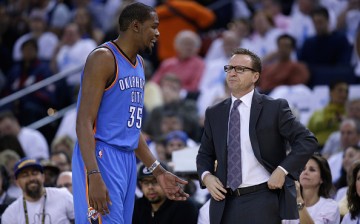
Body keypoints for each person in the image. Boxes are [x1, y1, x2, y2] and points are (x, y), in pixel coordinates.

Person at [72, 2, 189, 224]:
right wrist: (93, 174)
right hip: (101, 155)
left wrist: (158, 171)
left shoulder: (140, 64)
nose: (158, 33)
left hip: (126, 160)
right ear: (136, 25)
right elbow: (83, 122)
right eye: (153, 26)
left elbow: (131, 130)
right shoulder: (103, 58)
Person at [196, 48, 318, 224]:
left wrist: (282, 170)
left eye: (240, 69)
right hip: (224, 200)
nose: (232, 73)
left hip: (263, 198)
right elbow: (204, 154)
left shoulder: (274, 108)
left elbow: (307, 140)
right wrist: (206, 176)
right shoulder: (214, 112)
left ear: (255, 76)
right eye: (229, 68)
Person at [2, 157, 74, 223]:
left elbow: (82, 219)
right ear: (17, 182)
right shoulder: (11, 214)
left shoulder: (63, 196)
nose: (31, 178)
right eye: (25, 175)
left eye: (35, 173)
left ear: (43, 177)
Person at [132, 163, 199, 224]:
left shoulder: (184, 206)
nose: (150, 187)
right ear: (140, 185)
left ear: (168, 182)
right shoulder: (137, 206)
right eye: (145, 182)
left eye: (155, 181)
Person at [295, 155, 340, 224]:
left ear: (322, 179)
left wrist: (299, 199)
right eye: (303, 169)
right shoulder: (289, 204)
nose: (305, 172)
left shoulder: (330, 206)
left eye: (312, 170)